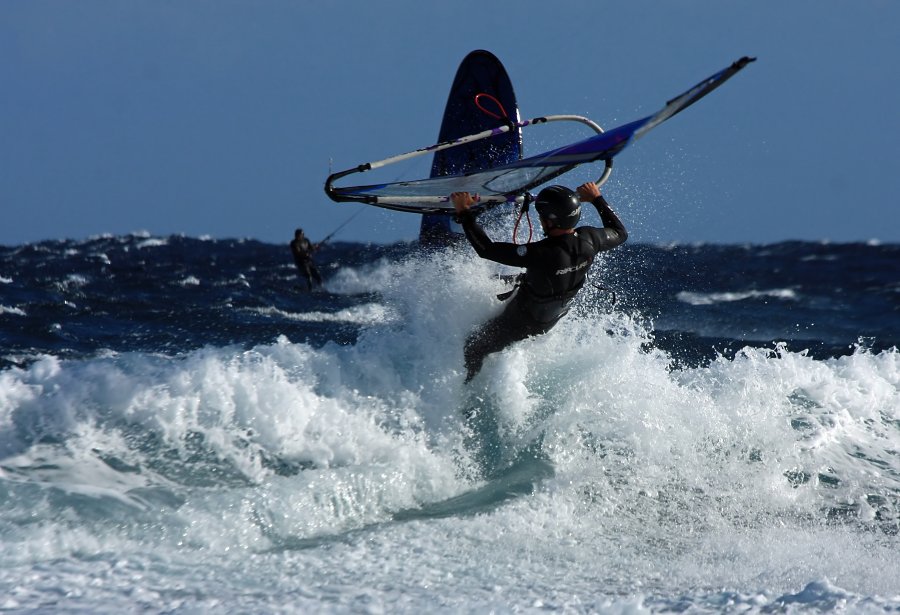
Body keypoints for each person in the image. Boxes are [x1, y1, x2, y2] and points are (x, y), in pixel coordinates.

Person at [451, 181, 627, 383]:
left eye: (542, 216)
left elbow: (486, 249)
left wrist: (464, 212)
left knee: (473, 347)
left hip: (521, 324)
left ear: (550, 221)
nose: (541, 220)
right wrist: (597, 198)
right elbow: (620, 233)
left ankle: (467, 390)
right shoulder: (591, 239)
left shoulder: (540, 253)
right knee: (498, 281)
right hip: (550, 316)